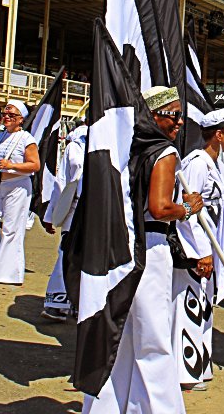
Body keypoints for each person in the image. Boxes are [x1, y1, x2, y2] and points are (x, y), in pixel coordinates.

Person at [83, 85, 204, 414]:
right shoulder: (163, 152)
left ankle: (107, 407)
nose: (179, 123)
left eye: (181, 116)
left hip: (119, 248)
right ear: (154, 116)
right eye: (173, 116)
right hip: (150, 247)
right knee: (152, 336)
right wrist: (189, 207)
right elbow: (161, 207)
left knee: (119, 334)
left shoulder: (126, 148)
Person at [173, 108, 224, 391]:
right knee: (190, 305)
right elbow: (186, 211)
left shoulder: (214, 162)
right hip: (194, 248)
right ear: (219, 135)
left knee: (203, 306)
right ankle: (185, 372)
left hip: (209, 244)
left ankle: (198, 365)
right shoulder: (197, 163)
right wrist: (200, 252)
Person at [0, 101, 40, 285]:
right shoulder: (0, 137)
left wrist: (12, 166)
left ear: (21, 119)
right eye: (5, 114)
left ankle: (7, 273)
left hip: (17, 185)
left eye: (12, 115)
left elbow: (34, 165)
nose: (7, 117)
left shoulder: (27, 139)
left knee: (11, 229)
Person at [42, 123, 87, 322]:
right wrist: (52, 215)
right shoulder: (75, 146)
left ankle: (81, 303)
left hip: (102, 209)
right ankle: (57, 302)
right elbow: (61, 182)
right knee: (66, 253)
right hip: (74, 207)